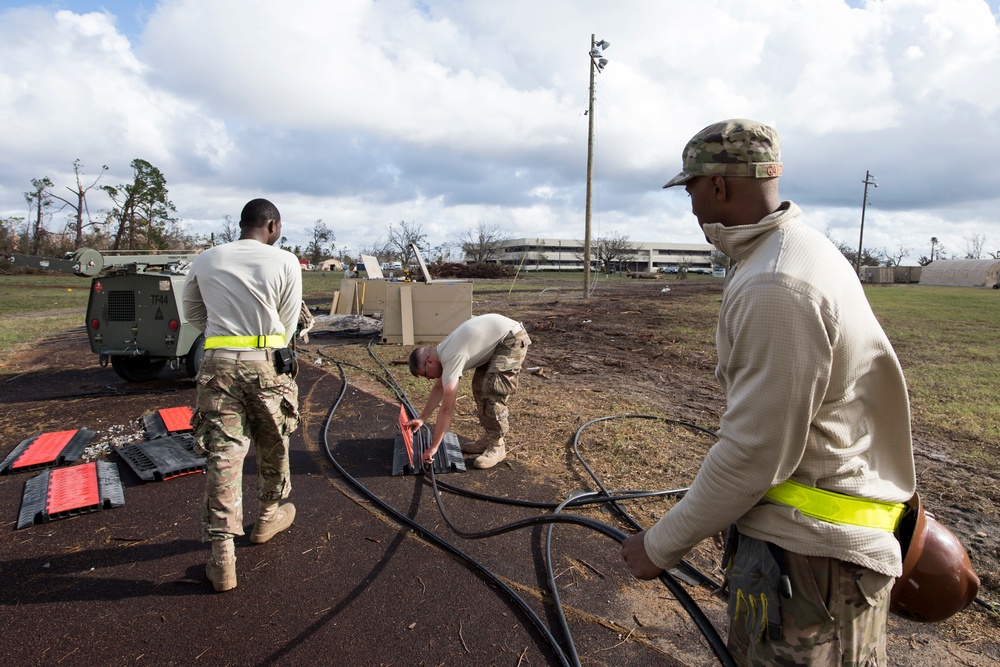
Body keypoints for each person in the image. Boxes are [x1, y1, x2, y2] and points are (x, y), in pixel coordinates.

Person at [621, 119, 916, 665]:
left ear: (717, 186)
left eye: (689, 188)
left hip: (814, 565)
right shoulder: (792, 252)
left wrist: (660, 545)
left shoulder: (776, 284)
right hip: (818, 556)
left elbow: (755, 452)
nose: (688, 205)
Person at [183, 198, 303, 593]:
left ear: (242, 224)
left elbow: (192, 313)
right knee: (274, 442)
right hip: (266, 361)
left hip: (218, 362)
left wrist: (222, 334)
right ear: (272, 225)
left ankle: (222, 560)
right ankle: (267, 516)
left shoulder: (205, 259)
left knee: (224, 455)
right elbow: (287, 324)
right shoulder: (284, 260)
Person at [404, 313, 530, 469]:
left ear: (429, 362)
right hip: (498, 340)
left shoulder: (451, 356)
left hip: (511, 339)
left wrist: (433, 448)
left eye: (424, 374)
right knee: (479, 388)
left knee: (491, 392)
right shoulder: (441, 352)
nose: (428, 379)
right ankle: (489, 437)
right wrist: (422, 418)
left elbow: (447, 409)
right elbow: (439, 387)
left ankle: (498, 445)